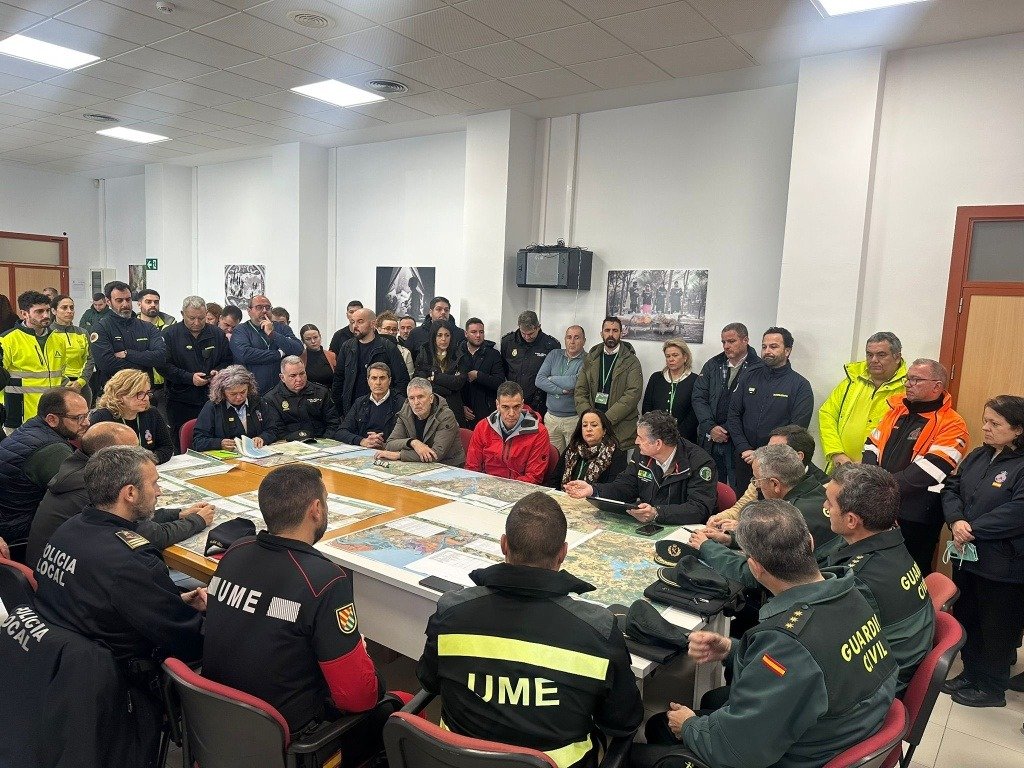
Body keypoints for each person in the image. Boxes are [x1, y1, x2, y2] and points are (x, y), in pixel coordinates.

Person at [633, 500, 897, 768]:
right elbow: (812, 666)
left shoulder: (788, 641)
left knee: (655, 732)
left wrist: (688, 725)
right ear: (810, 542)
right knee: (713, 701)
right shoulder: (853, 592)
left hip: (802, 755)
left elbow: (738, 749)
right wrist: (732, 649)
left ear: (755, 567)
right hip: (848, 728)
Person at [418, 491, 642, 768]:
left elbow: (428, 681)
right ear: (563, 553)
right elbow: (622, 721)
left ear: (504, 545)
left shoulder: (451, 611)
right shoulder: (598, 629)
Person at [203, 464, 404, 759]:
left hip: (218, 723)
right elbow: (358, 697)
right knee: (400, 708)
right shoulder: (325, 580)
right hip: (292, 740)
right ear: (316, 509)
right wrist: (363, 656)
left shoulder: (235, 551)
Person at [33, 445, 206, 759]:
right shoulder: (132, 560)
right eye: (153, 484)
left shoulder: (68, 529)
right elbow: (187, 639)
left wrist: (173, 600)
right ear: (130, 492)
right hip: (123, 680)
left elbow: (98, 595)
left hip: (62, 669)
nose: (159, 490)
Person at [26, 421, 216, 567]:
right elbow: (151, 535)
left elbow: (130, 520)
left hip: (61, 570)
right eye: (132, 451)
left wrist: (177, 514)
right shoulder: (96, 487)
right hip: (70, 581)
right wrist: (197, 521)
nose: (140, 455)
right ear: (109, 455)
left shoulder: (78, 468)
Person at [816, 463, 934, 692]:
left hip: (877, 687)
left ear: (852, 520)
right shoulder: (892, 542)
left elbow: (820, 642)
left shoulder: (859, 579)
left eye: (829, 503)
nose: (824, 507)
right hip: (891, 664)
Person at [940, 395, 1024, 708]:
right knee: (968, 616)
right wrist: (957, 519)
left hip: (1004, 564)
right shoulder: (977, 455)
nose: (985, 428)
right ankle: (971, 673)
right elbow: (951, 489)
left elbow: (1019, 510)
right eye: (985, 420)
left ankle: (992, 687)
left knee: (997, 626)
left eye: (994, 423)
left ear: (1017, 429)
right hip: (967, 556)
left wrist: (974, 528)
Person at [863, 358, 969, 575]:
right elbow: (871, 445)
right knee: (877, 570)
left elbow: (930, 470)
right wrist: (871, 481)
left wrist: (879, 489)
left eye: (916, 379)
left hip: (917, 515)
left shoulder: (953, 423)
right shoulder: (896, 411)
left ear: (937, 386)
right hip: (881, 505)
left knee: (910, 573)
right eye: (907, 379)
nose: (908, 384)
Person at [692, 444, 835, 587]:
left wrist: (707, 547)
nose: (756, 486)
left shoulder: (786, 519)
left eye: (757, 480)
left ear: (775, 484)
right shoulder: (821, 494)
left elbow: (755, 575)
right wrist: (730, 538)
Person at [565, 410, 715, 525]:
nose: (636, 441)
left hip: (681, 530)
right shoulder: (642, 454)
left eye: (640, 438)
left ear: (657, 444)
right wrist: (593, 490)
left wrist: (657, 513)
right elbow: (625, 487)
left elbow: (699, 508)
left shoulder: (700, 463)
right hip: (649, 525)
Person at [726, 326, 813, 494]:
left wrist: (762, 454)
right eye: (764, 346)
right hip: (745, 460)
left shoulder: (800, 386)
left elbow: (796, 431)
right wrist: (744, 448)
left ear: (787, 351)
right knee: (742, 509)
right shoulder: (749, 376)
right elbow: (734, 415)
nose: (767, 351)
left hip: (778, 468)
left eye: (773, 347)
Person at [0, 388, 89, 551]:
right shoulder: (52, 449)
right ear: (52, 419)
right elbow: (83, 494)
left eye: (86, 415)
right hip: (18, 533)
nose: (86, 423)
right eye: (78, 418)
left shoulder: (31, 427)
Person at [707, 424, 828, 530]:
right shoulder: (762, 476)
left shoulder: (826, 489)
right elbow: (740, 508)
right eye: (767, 448)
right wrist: (718, 519)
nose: (766, 454)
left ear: (798, 456)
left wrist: (743, 529)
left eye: (776, 450)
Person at [818, 331, 907, 473]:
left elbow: (906, 438)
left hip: (879, 472)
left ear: (897, 357)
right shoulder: (851, 382)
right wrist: (836, 453)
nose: (873, 360)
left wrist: (870, 462)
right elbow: (827, 415)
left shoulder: (908, 389)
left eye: (881, 355)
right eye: (869, 354)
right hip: (841, 467)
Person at [692, 322, 760, 489]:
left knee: (738, 488)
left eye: (731, 341)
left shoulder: (758, 368)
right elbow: (699, 397)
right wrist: (710, 427)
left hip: (739, 440)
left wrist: (727, 429)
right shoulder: (713, 364)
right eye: (723, 342)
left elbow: (754, 408)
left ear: (745, 340)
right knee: (710, 484)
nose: (726, 346)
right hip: (711, 438)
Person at [162, 295, 233, 453]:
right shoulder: (169, 334)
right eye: (192, 318)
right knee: (182, 441)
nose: (196, 322)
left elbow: (228, 360)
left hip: (212, 398)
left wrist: (218, 372)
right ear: (182, 314)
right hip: (180, 400)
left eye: (201, 318)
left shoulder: (217, 334)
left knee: (213, 440)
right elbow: (164, 366)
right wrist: (189, 378)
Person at [575, 317, 642, 450]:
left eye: (615, 330)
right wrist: (589, 420)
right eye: (607, 330)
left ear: (621, 333)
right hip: (592, 428)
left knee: (616, 469)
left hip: (619, 429)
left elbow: (632, 394)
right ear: (602, 334)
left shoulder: (632, 361)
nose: (611, 334)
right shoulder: (591, 358)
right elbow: (580, 390)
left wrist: (605, 421)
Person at [465, 381, 551, 484]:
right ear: (497, 405)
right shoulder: (482, 427)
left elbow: (534, 477)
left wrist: (502, 490)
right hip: (486, 486)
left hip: (520, 489)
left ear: (522, 404)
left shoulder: (539, 432)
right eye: (505, 407)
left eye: (516, 407)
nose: (511, 413)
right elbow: (472, 467)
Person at [0, 290, 64, 427]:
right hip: (19, 415)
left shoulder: (58, 339)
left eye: (47, 310)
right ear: (24, 314)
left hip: (53, 413)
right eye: (39, 311)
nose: (46, 315)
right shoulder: (7, 340)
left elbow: (62, 375)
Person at [90, 280, 167, 392]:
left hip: (144, 393)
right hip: (115, 394)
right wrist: (145, 364)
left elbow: (160, 357)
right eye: (119, 300)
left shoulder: (147, 327)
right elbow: (107, 364)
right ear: (108, 301)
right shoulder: (101, 328)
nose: (125, 304)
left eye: (128, 299)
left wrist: (128, 354)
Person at [333, 308, 409, 416]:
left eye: (360, 322)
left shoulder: (388, 347)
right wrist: (339, 409)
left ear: (372, 323)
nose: (355, 326)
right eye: (353, 322)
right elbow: (338, 379)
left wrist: (394, 406)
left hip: (382, 409)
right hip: (352, 409)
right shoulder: (347, 347)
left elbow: (402, 380)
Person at [90, 368, 174, 463]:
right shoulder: (101, 418)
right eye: (139, 394)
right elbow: (95, 458)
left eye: (147, 393)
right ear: (120, 396)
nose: (146, 398)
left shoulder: (152, 413)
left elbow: (166, 447)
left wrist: (146, 462)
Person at [376, 378, 464, 466]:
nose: (416, 402)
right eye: (411, 398)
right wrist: (413, 443)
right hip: (419, 464)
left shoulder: (446, 415)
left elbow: (436, 454)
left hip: (448, 466)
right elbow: (390, 444)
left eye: (420, 397)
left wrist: (399, 455)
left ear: (431, 398)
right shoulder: (405, 412)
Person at [229, 294, 304, 395]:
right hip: (252, 390)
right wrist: (279, 354)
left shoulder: (282, 328)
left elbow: (298, 349)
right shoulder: (241, 330)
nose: (264, 311)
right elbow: (245, 354)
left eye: (268, 308)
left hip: (281, 392)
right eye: (259, 307)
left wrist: (273, 334)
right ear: (249, 311)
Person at [261, 356, 341, 443]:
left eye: (302, 374)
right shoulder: (271, 399)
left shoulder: (322, 392)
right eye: (293, 375)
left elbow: (334, 423)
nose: (299, 379)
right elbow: (276, 430)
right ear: (282, 378)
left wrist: (324, 442)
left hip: (321, 441)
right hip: (289, 444)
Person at [192, 365, 267, 452]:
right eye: (233, 394)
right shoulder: (212, 407)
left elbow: (272, 429)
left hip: (256, 454)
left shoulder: (257, 402)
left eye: (243, 392)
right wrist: (219, 443)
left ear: (249, 388)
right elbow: (198, 441)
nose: (239, 397)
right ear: (222, 392)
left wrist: (262, 438)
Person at [535, 326, 586, 452]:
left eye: (577, 337)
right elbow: (539, 380)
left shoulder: (588, 359)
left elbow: (575, 382)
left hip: (574, 419)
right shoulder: (554, 354)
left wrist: (551, 378)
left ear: (584, 341)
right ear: (565, 339)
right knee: (553, 459)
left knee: (572, 459)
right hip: (551, 418)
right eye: (569, 337)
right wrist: (561, 390)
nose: (572, 341)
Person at [501, 310, 560, 417]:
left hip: (539, 401)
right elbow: (503, 369)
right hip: (513, 399)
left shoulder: (551, 345)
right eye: (523, 333)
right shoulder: (508, 342)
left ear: (538, 327)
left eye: (531, 333)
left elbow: (553, 375)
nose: (527, 337)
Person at [550, 409, 628, 489]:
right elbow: (554, 479)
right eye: (584, 425)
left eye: (594, 425)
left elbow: (615, 489)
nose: (588, 429)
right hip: (566, 497)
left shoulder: (616, 455)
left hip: (595, 500)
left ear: (604, 430)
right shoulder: (572, 448)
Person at [642, 338, 698, 444]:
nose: (671, 359)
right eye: (668, 356)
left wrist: (677, 436)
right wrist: (654, 433)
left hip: (684, 439)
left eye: (675, 355)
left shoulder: (695, 380)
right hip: (656, 437)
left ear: (685, 357)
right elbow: (647, 407)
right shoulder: (656, 378)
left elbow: (694, 414)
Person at [337, 362, 404, 448]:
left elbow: (408, 436)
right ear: (368, 380)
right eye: (374, 378)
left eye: (382, 378)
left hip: (390, 451)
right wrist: (362, 441)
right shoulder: (360, 403)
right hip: (363, 450)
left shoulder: (402, 404)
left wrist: (383, 444)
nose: (378, 382)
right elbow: (341, 432)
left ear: (389, 380)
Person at [414, 320, 467, 427]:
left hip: (453, 407)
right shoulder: (424, 354)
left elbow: (458, 383)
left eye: (447, 335)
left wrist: (434, 377)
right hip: (431, 407)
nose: (444, 339)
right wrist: (447, 389)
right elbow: (422, 384)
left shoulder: (459, 355)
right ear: (433, 337)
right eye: (439, 335)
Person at [460, 317, 505, 429]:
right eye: (474, 332)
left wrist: (478, 375)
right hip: (463, 410)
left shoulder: (493, 354)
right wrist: (460, 406)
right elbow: (453, 386)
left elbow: (499, 382)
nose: (478, 335)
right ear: (466, 333)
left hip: (486, 412)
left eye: (481, 332)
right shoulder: (457, 353)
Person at [49, 294, 94, 405]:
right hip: (58, 386)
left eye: (71, 308)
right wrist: (66, 383)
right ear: (54, 311)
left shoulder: (82, 333)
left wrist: (80, 382)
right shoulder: (47, 333)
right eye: (64, 308)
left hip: (82, 386)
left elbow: (90, 359)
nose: (69, 311)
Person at [376, 310, 414, 377]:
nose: (391, 332)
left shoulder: (405, 353)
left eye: (394, 329)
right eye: (387, 329)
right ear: (379, 329)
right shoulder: (370, 348)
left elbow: (409, 376)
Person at [299, 324, 336, 388]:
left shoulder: (331, 356)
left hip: (330, 394)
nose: (313, 341)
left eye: (315, 337)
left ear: (320, 337)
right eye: (308, 339)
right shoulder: (300, 359)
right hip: (309, 395)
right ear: (303, 341)